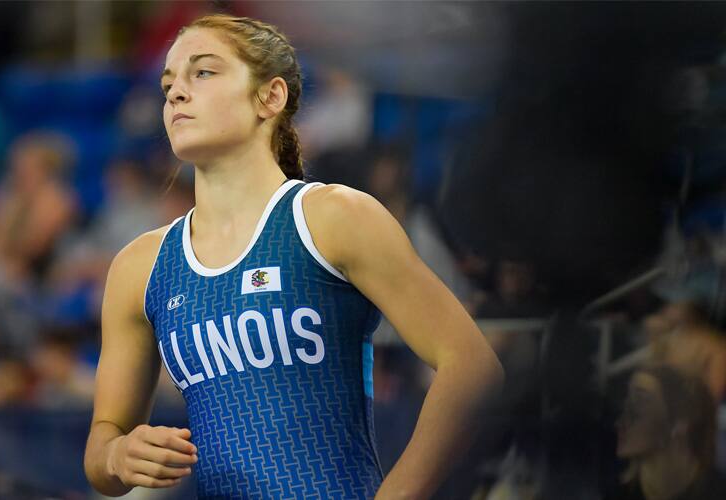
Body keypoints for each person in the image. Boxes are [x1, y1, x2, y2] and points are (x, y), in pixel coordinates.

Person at [83, 13, 504, 499]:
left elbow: (471, 367)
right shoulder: (140, 266)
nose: (176, 91)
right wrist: (117, 454)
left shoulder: (332, 217)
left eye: (203, 72)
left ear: (271, 96)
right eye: (168, 82)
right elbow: (103, 442)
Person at [609, 365, 726, 500]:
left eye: (639, 402)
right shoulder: (618, 492)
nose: (620, 423)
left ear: (681, 421)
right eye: (627, 402)